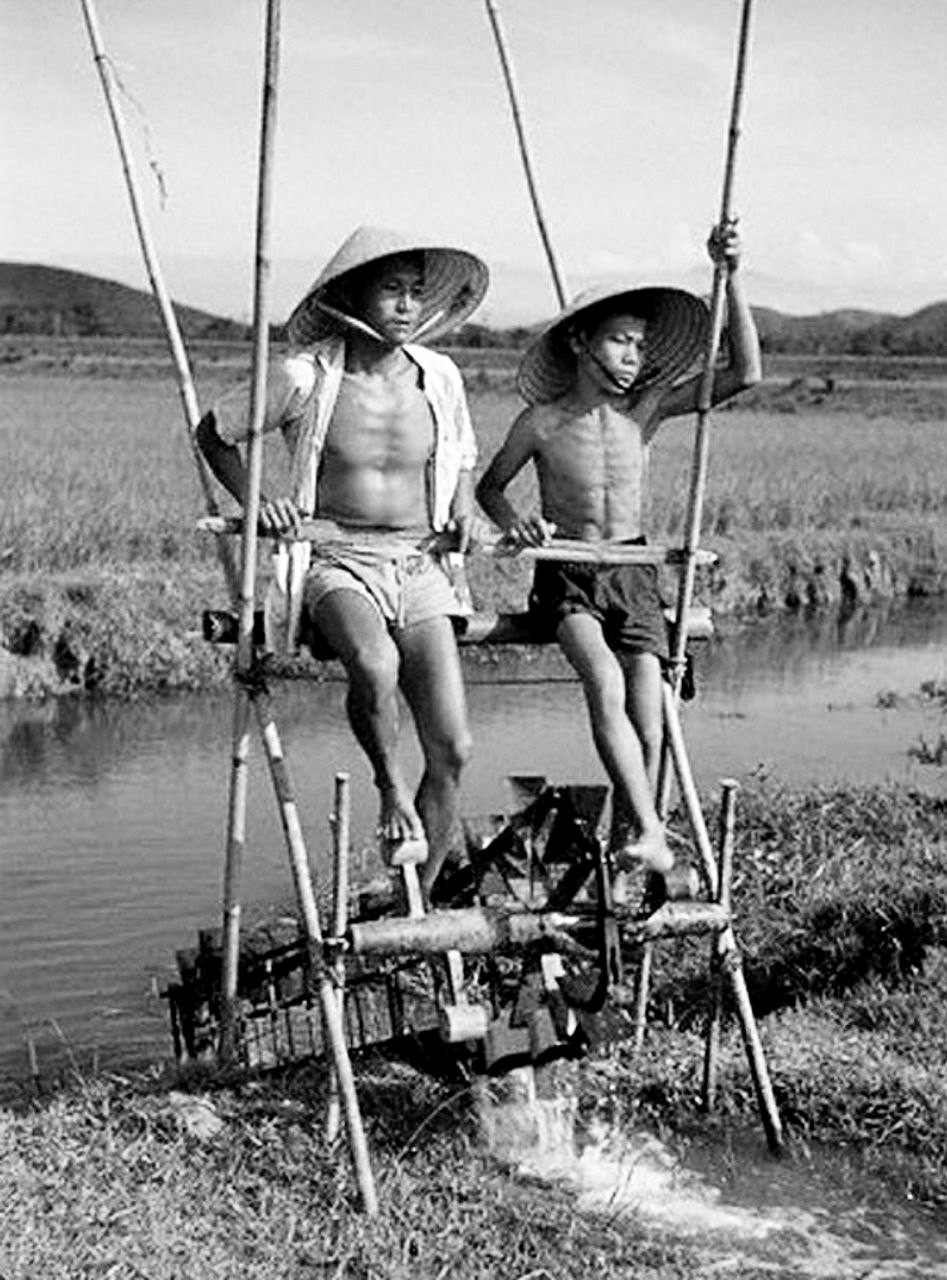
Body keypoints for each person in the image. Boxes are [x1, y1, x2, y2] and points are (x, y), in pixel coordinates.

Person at [196, 226, 489, 897]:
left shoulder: (439, 376)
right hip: (334, 558)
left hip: (420, 564)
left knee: (454, 749)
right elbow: (214, 432)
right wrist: (259, 502)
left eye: (417, 293)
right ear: (351, 296)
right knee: (374, 663)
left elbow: (463, 457)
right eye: (392, 289)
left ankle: (417, 897)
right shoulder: (306, 374)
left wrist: (465, 511)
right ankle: (390, 789)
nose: (407, 305)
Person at [476, 221, 760, 896]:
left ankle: (646, 824)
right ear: (580, 342)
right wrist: (520, 527)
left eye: (639, 344)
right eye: (619, 341)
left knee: (649, 698)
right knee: (601, 681)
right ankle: (647, 828)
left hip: (634, 566)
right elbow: (490, 488)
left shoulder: (646, 411)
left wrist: (732, 276)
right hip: (566, 570)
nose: (632, 356)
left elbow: (744, 374)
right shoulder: (540, 421)